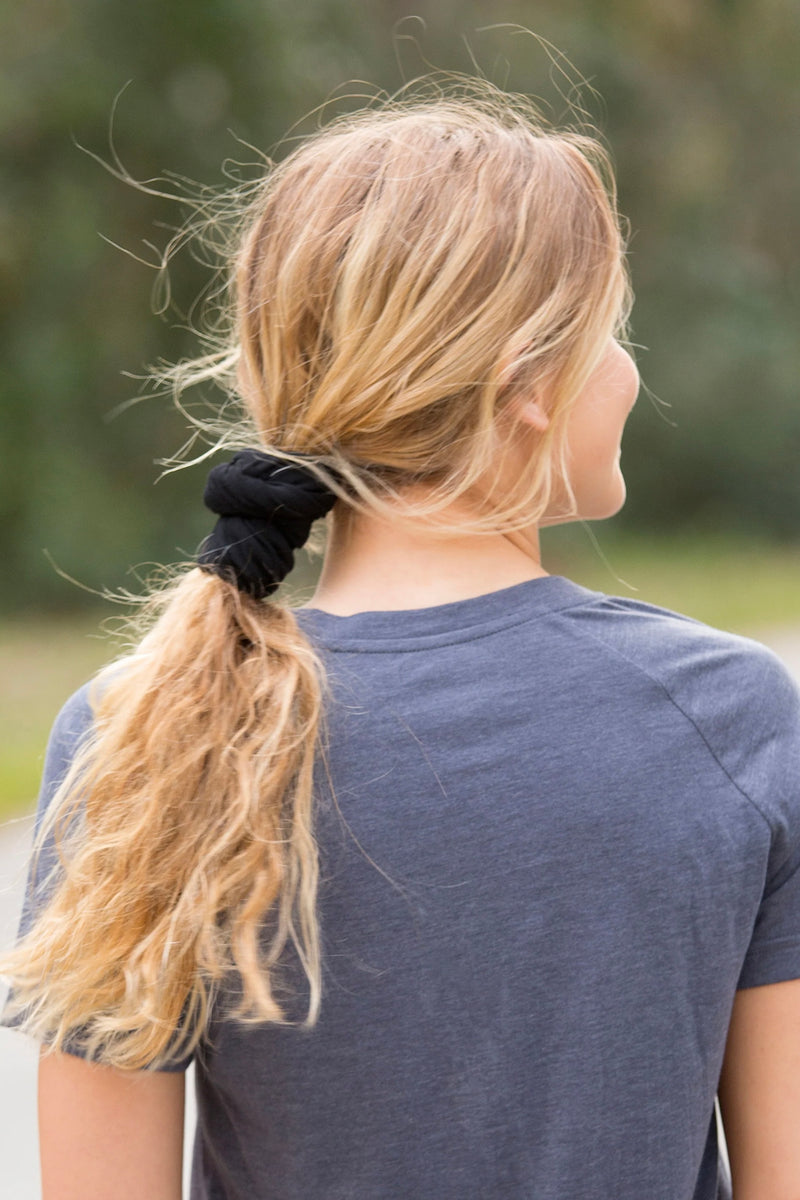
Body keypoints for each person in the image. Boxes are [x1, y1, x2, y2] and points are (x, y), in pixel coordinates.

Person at [2, 84, 800, 1200]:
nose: (627, 370)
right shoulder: (729, 719)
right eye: (610, 329)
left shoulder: (141, 733)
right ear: (527, 380)